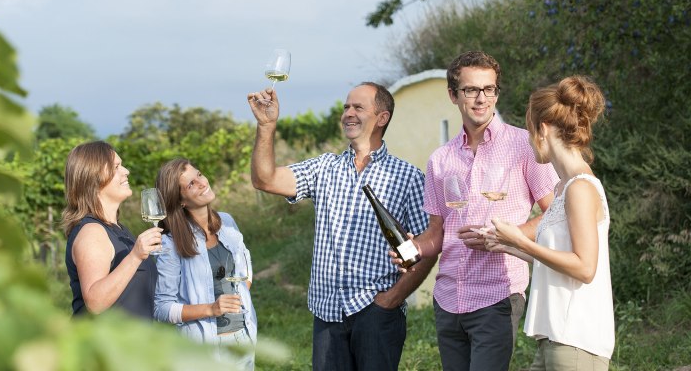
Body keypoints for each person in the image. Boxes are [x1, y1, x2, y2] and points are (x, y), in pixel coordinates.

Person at [247, 82, 435, 371]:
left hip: (377, 313)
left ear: (381, 118)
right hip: (327, 313)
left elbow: (426, 247)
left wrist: (391, 299)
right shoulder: (324, 168)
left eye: (358, 107)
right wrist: (266, 126)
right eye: (346, 106)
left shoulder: (408, 177)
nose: (348, 113)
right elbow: (265, 179)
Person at [396, 51, 559, 371]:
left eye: (489, 89)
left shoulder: (523, 145)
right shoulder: (440, 159)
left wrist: (504, 235)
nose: (482, 98)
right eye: (471, 90)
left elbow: (556, 214)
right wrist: (412, 249)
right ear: (453, 95)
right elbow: (436, 234)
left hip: (497, 295)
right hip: (447, 300)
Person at [486, 76, 613, 370]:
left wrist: (519, 239)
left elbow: (584, 267)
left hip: (577, 339)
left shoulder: (580, 188)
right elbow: (558, 258)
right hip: (555, 339)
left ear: (542, 129)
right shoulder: (563, 188)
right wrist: (506, 245)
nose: (530, 143)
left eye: (530, 132)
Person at [153, 158, 257, 370]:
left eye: (199, 174)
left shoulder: (227, 221)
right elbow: (162, 309)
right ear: (180, 200)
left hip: (244, 337)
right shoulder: (170, 244)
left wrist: (242, 292)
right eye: (191, 184)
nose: (201, 182)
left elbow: (244, 264)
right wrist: (211, 308)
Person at [63, 140, 162, 318]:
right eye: (116, 167)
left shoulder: (118, 229)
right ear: (93, 177)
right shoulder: (91, 231)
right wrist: (136, 256)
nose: (126, 172)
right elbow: (95, 303)